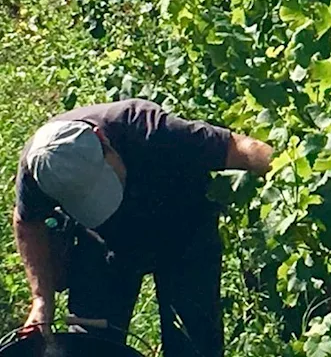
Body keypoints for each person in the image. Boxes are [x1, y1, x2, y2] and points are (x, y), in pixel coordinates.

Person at [12, 99, 274, 356]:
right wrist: (41, 300)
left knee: (193, 343)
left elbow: (240, 148)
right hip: (102, 243)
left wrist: (293, 174)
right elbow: (28, 223)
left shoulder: (151, 130)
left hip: (185, 233)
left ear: (102, 140)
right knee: (89, 344)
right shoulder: (42, 167)